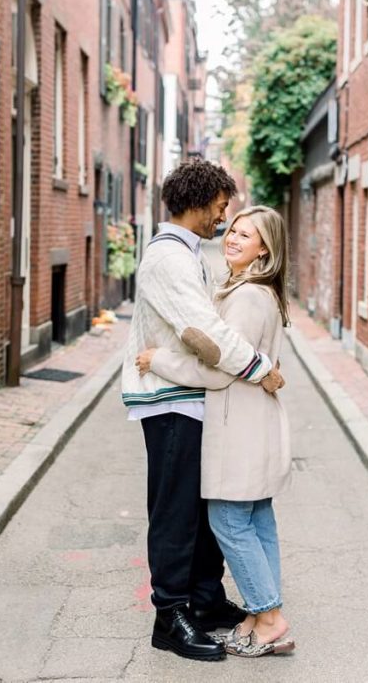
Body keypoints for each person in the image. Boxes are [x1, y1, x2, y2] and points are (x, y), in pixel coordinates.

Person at [120, 159, 284, 662]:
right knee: (174, 514)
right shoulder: (168, 258)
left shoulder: (189, 253)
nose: (224, 215)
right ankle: (170, 616)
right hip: (170, 403)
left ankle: (207, 601)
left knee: (199, 508)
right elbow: (206, 333)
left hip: (191, 401)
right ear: (198, 202)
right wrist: (258, 366)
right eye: (220, 206)